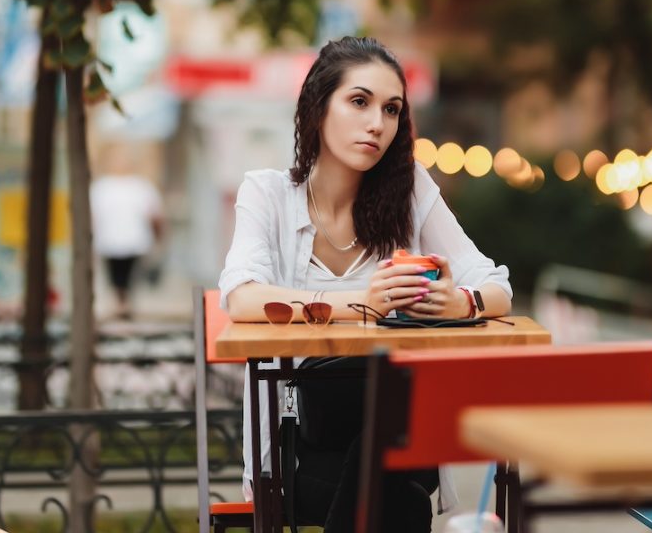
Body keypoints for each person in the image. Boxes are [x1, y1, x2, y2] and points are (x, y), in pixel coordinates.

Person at [218, 36, 513, 533]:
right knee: (399, 498)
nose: (378, 123)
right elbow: (243, 296)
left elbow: (495, 285)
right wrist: (363, 303)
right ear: (317, 107)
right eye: (359, 102)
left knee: (381, 432)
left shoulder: (410, 190)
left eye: (392, 109)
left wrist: (457, 302)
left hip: (402, 430)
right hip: (304, 446)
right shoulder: (267, 194)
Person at [90, 152, 163, 319]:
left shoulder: (140, 187)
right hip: (111, 242)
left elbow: (154, 216)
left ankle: (123, 303)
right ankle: (122, 303)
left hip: (133, 242)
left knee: (126, 277)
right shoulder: (103, 187)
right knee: (118, 277)